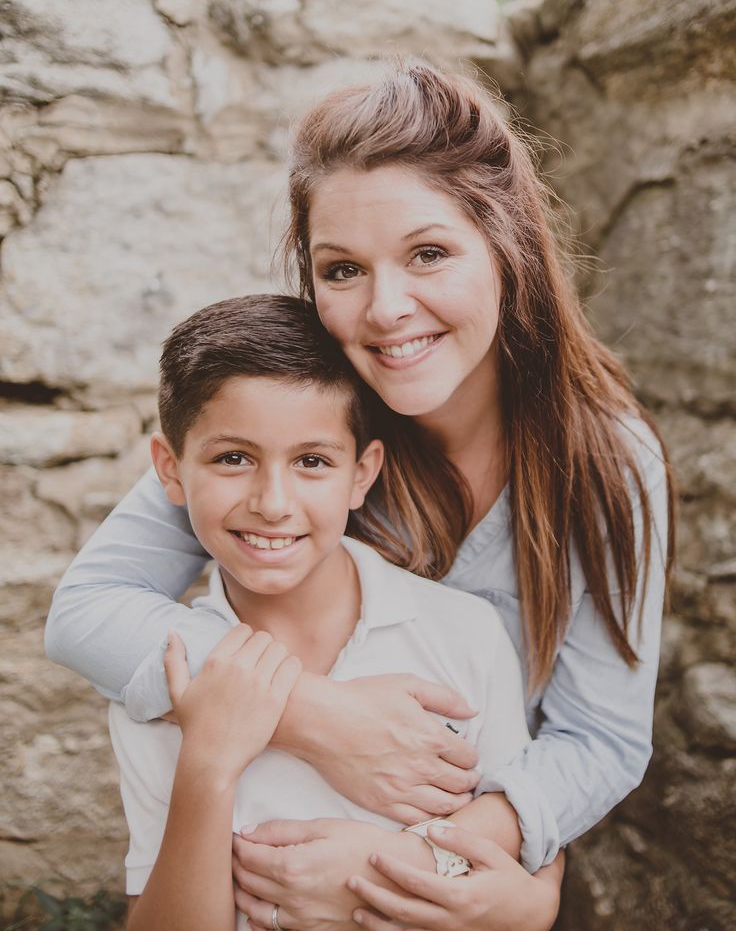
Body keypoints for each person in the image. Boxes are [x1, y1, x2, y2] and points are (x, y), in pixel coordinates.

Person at [45, 61, 674, 931]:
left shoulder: (604, 460)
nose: (386, 310)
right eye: (342, 270)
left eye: (428, 253)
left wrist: (421, 862)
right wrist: (314, 715)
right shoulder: (306, 427)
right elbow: (86, 611)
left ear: (507, 247)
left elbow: (600, 738)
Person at [111, 292, 556, 931]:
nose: (272, 501)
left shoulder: (463, 635)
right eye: (232, 458)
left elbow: (523, 872)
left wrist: (383, 876)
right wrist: (208, 764)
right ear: (170, 469)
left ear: (362, 473)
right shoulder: (160, 676)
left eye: (312, 462)